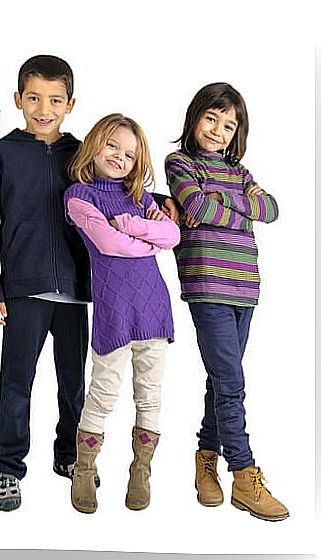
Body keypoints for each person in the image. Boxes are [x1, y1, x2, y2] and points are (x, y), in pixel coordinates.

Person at [166, 83, 287, 521]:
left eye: (229, 125)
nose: (218, 130)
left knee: (222, 379)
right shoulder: (180, 162)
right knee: (231, 381)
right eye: (211, 119)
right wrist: (240, 206)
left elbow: (272, 209)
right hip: (207, 284)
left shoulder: (240, 170)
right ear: (195, 117)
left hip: (245, 287)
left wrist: (221, 201)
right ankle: (243, 472)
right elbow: (196, 206)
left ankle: (205, 461)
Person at [0, 54, 91, 511]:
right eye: (35, 98)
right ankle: (7, 468)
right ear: (18, 99)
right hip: (22, 288)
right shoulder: (1, 154)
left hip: (75, 290)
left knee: (73, 382)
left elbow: (115, 193)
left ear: (71, 103)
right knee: (16, 381)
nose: (44, 108)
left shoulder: (82, 154)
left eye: (56, 100)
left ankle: (70, 457)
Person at [63, 113, 179, 513]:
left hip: (154, 306)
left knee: (150, 393)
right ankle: (83, 469)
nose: (119, 157)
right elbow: (109, 244)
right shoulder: (79, 196)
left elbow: (172, 236)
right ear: (94, 144)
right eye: (112, 146)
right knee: (104, 392)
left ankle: (141, 470)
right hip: (114, 310)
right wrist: (144, 238)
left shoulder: (139, 200)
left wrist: (132, 223)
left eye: (129, 154)